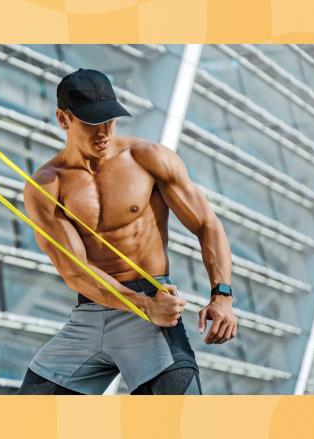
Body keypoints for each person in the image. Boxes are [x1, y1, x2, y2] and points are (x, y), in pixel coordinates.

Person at [15, 68, 237, 395]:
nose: (104, 132)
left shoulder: (148, 159)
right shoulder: (47, 186)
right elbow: (75, 270)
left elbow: (206, 224)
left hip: (150, 312)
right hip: (90, 315)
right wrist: (139, 304)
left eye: (110, 119)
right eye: (91, 123)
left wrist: (222, 295)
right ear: (64, 119)